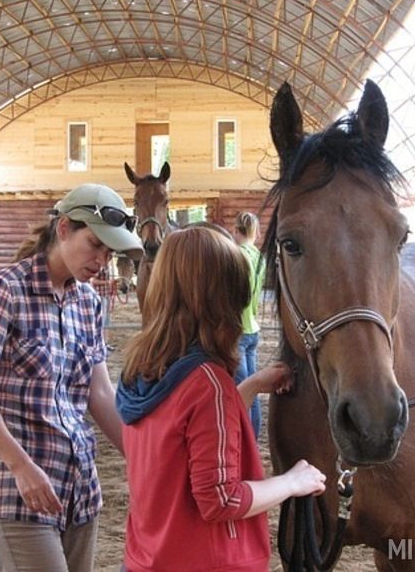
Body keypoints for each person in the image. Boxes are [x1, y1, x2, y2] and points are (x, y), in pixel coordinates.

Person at [116, 227, 326, 572]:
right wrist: (292, 482)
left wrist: (251, 385)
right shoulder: (207, 383)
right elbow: (222, 499)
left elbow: (182, 434)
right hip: (205, 561)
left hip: (148, 557)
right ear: (223, 298)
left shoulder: (143, 368)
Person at [0, 184, 142, 572]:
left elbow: (100, 393)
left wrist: (144, 457)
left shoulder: (89, 302)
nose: (102, 261)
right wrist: (21, 467)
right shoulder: (3, 290)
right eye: (94, 244)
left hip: (79, 489)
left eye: (109, 252)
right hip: (16, 491)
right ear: (62, 229)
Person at [233, 212, 266, 438]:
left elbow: (237, 295)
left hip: (238, 330)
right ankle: (253, 435)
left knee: (242, 390)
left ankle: (245, 436)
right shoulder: (259, 257)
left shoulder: (238, 255)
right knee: (253, 387)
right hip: (254, 327)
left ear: (236, 231)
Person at [89, 264, 115, 349]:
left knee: (106, 320)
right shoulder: (100, 266)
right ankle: (99, 344)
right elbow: (92, 280)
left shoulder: (108, 265)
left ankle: (105, 343)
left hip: (106, 296)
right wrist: (108, 282)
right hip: (100, 296)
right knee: (101, 320)